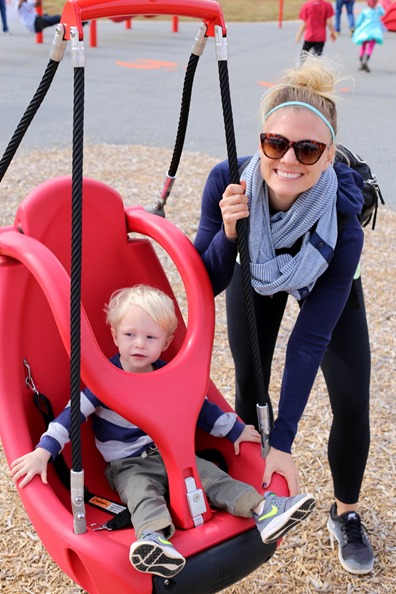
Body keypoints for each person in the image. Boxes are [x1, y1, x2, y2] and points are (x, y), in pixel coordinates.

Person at [194, 54, 374, 575]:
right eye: (276, 143)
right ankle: (252, 496)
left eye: (308, 148)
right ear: (261, 142)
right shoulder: (229, 181)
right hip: (257, 273)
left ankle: (347, 512)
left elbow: (309, 340)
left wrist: (288, 441)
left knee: (352, 399)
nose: (289, 159)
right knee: (251, 384)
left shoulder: (345, 217)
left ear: (330, 155)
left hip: (322, 273)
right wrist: (229, 235)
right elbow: (205, 282)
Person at [11, 284, 315, 579]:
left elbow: (203, 408)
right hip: (126, 465)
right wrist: (42, 452)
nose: (139, 344)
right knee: (142, 495)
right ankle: (154, 541)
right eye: (129, 335)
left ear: (166, 342)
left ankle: (265, 510)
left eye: (150, 337)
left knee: (211, 476)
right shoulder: (103, 382)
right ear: (115, 336)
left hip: (170, 454)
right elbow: (68, 418)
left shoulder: (167, 374)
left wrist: (234, 431)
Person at [352, 0, 386, 73]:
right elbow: (383, 12)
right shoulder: (378, 11)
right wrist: (379, 6)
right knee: (370, 47)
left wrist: (356, 29)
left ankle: (361, 63)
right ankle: (366, 61)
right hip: (374, 33)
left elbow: (359, 21)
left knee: (363, 47)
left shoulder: (365, 11)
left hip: (365, 32)